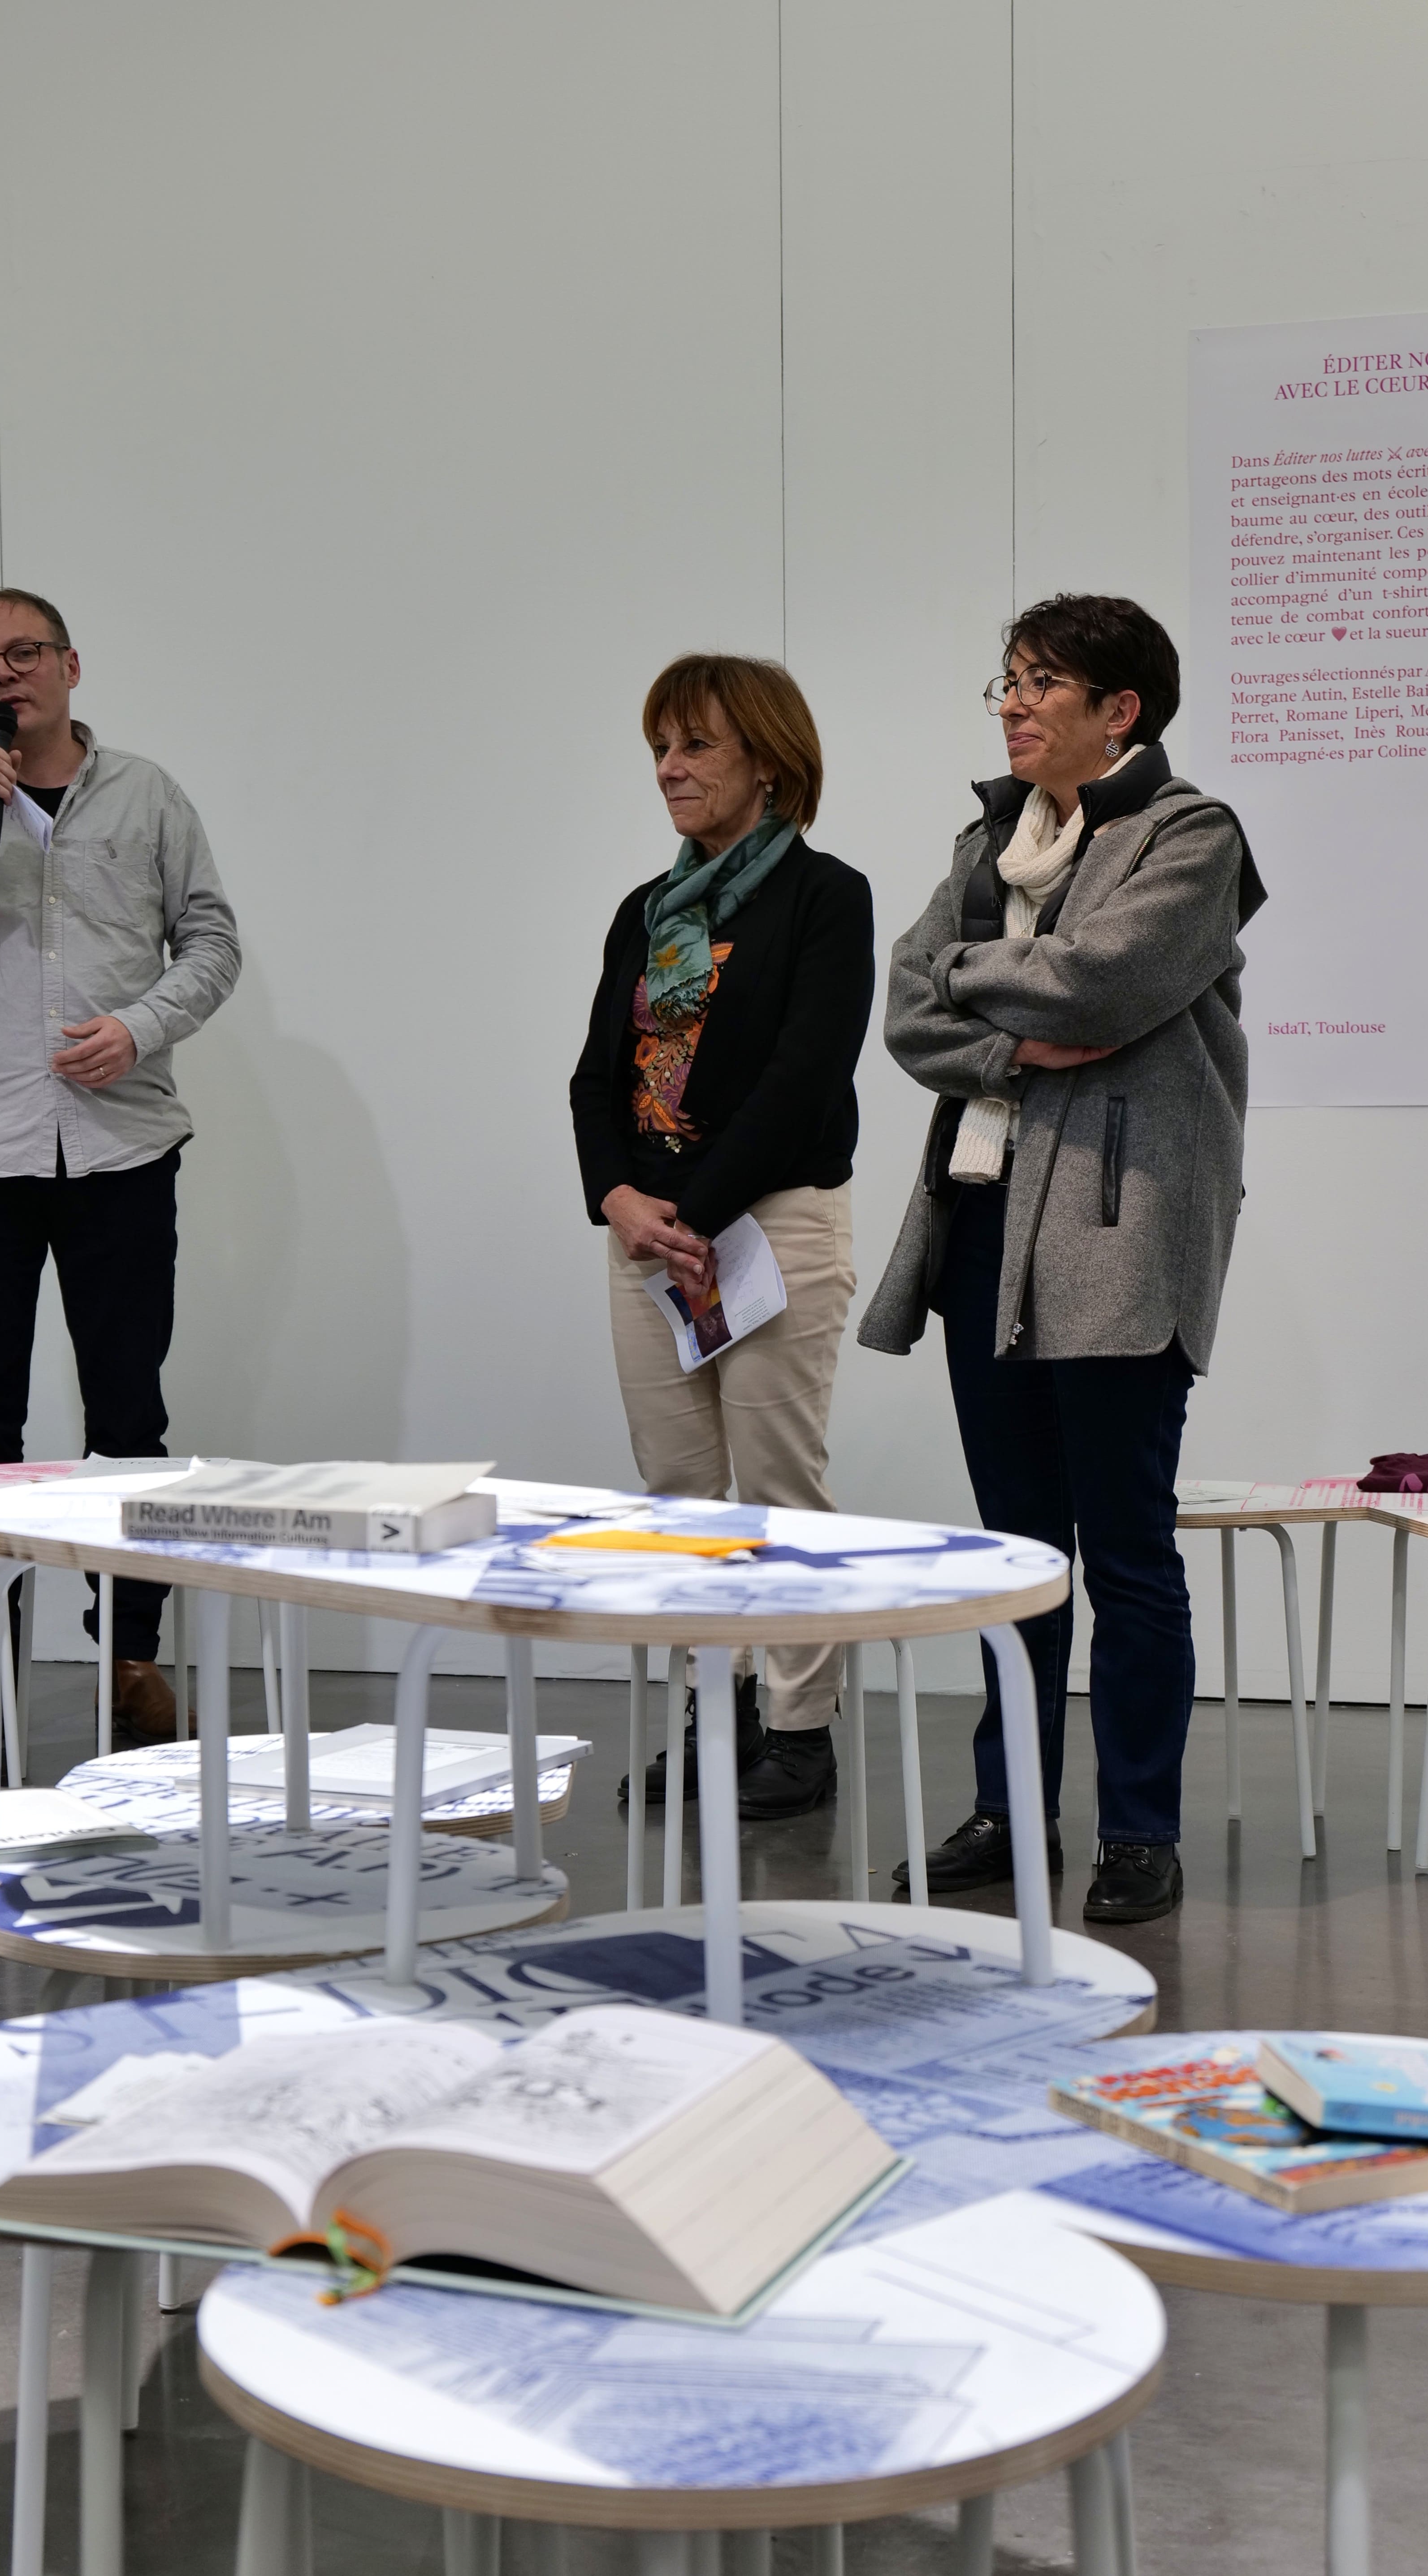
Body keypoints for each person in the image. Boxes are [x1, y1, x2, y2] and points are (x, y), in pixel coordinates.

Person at [859, 593, 1266, 1923]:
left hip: (1119, 1237)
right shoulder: (992, 839)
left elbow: (1105, 980)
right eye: (1010, 681)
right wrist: (1015, 1035)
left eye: (1041, 683)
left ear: (1119, 711)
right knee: (1017, 1553)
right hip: (986, 1226)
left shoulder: (1190, 835)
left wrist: (981, 986)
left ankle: (1140, 1829)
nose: (1012, 703)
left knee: (1128, 1554)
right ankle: (1010, 1806)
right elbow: (905, 1006)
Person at [0, 589, 241, 1754]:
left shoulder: (149, 794)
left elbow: (214, 939)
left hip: (121, 1143)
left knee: (130, 1418)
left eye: (23, 654)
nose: (3, 675)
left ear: (71, 666)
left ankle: (131, 1660)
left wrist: (142, 1025)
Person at [570, 654, 874, 1818]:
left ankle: (800, 1738)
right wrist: (619, 1199)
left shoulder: (824, 899)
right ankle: (719, 1714)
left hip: (773, 1225)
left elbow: (804, 1080)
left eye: (696, 745)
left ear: (768, 760)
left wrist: (693, 1209)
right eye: (661, 746)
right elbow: (595, 1078)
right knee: (683, 1495)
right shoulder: (643, 916)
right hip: (651, 1240)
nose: (670, 768)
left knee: (778, 1487)